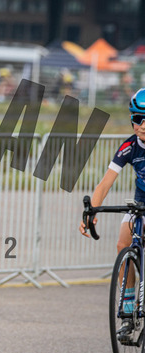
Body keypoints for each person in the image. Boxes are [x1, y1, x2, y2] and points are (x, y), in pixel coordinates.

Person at [80, 88, 145, 338]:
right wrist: (91, 212)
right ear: (131, 120)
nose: (143, 125)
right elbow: (105, 183)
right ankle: (128, 313)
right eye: (138, 119)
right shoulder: (128, 147)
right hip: (141, 201)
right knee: (122, 245)